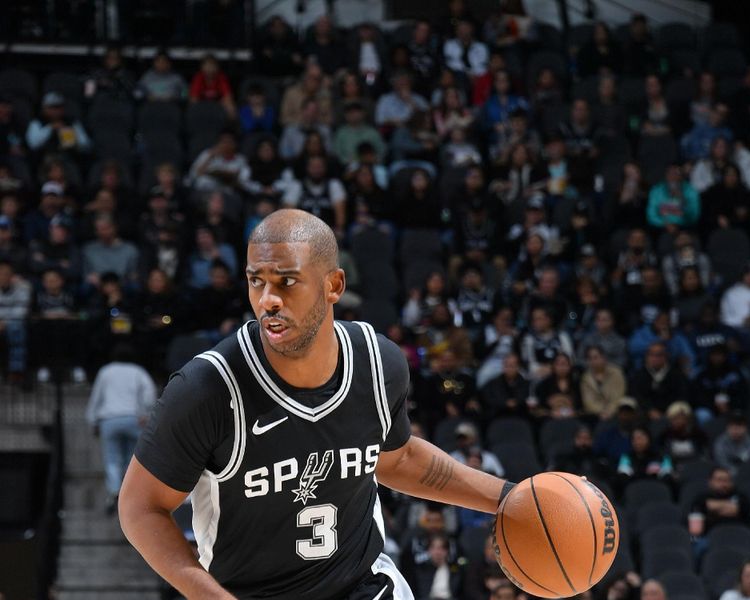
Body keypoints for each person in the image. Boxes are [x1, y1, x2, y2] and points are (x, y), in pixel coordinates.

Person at [119, 209, 513, 599]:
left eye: (287, 281)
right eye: (257, 282)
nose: (268, 300)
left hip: (364, 586)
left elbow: (398, 459)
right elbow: (140, 508)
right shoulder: (207, 389)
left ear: (334, 285)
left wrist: (510, 498)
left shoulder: (379, 364)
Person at [87, 344, 157, 514]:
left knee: (112, 458)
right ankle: (130, 492)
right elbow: (149, 393)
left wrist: (93, 420)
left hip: (109, 419)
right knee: (133, 459)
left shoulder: (106, 371)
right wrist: (145, 413)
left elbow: (97, 396)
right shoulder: (138, 371)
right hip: (133, 419)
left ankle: (114, 491)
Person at [0, 260, 31, 385]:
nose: (2, 277)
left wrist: (4, 322)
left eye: (6, 274)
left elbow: (22, 310)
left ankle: (16, 371)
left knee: (16, 329)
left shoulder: (23, 287)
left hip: (14, 322)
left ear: (12, 276)